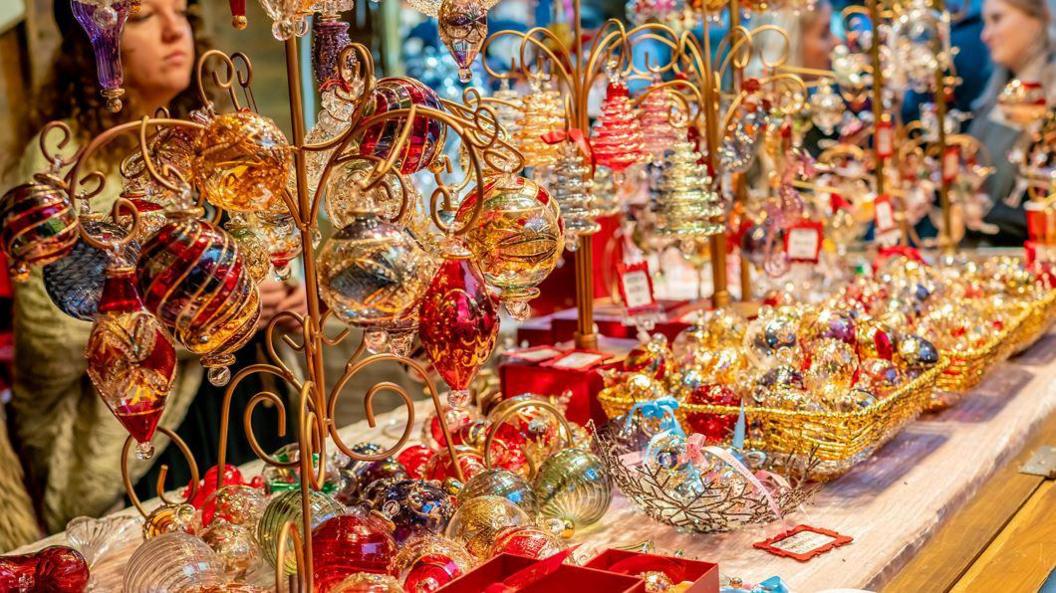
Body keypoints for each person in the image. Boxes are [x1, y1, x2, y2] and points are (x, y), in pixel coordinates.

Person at [3, 0, 307, 541]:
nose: (175, 30)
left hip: (250, 406)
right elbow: (53, 340)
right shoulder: (63, 165)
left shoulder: (211, 145)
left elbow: (261, 250)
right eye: (143, 16)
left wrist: (289, 292)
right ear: (92, 45)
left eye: (182, 11)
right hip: (154, 444)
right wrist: (214, 314)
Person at [967, 0, 1056, 244]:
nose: (985, 35)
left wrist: (987, 216)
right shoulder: (991, 98)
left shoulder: (1050, 103)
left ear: (1038, 18)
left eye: (997, 19)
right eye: (985, 22)